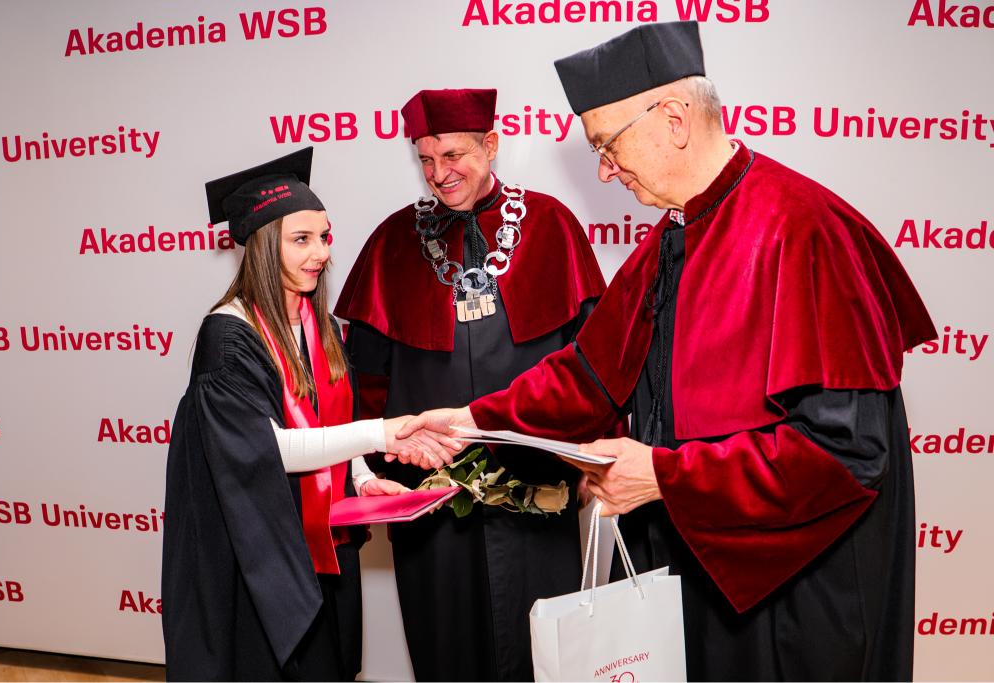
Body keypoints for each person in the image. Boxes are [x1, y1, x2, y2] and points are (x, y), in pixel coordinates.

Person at [399, 23, 938, 681]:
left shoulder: (804, 230)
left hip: (794, 598)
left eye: (607, 144)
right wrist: (470, 421)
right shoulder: (672, 235)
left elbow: (846, 455)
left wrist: (663, 475)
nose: (603, 169)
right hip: (701, 576)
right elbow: (588, 377)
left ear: (675, 119)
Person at [334, 88, 609, 681]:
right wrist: (367, 468)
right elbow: (366, 378)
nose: (439, 173)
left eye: (452, 155)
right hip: (430, 492)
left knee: (542, 647)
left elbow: (594, 361)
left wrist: (595, 455)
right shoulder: (392, 242)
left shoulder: (552, 225)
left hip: (537, 481)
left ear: (491, 144)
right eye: (426, 159)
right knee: (445, 645)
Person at [161, 147, 458, 681]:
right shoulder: (228, 340)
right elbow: (268, 449)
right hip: (262, 554)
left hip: (326, 544)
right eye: (301, 239)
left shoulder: (318, 325)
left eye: (324, 236)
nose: (320, 253)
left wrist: (361, 478)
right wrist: (379, 434)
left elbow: (327, 420)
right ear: (260, 246)